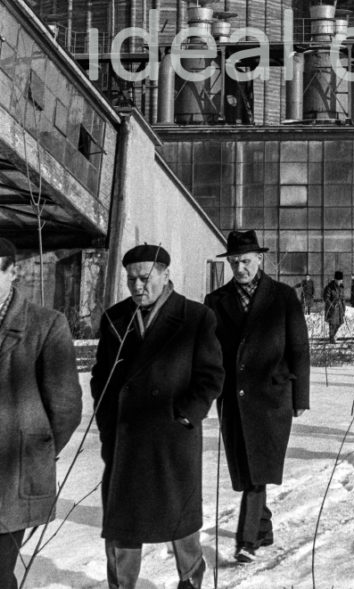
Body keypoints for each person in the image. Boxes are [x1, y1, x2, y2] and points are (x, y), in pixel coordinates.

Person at [91, 244, 224, 589]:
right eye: (131, 279)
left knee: (181, 527)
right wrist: (108, 424)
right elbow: (100, 377)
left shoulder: (195, 318)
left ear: (165, 275)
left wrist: (184, 416)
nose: (137, 286)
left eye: (145, 277)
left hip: (172, 441)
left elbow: (211, 376)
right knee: (122, 527)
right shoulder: (115, 319)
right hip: (125, 441)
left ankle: (192, 581)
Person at [205, 229, 310, 564]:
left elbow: (299, 348)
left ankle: (246, 541)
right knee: (246, 471)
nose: (240, 268)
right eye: (234, 262)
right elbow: (209, 351)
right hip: (233, 399)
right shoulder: (216, 301)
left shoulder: (282, 297)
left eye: (246, 261)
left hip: (272, 396)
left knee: (256, 472)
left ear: (260, 259)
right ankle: (263, 529)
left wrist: (300, 397)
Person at [0, 237, 82, 589]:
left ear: (13, 272)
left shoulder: (47, 325)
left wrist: (34, 449)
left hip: (13, 478)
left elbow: (65, 409)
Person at [323, 270, 345, 342]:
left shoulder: (341, 288)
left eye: (341, 280)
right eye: (339, 280)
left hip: (340, 309)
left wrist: (344, 308)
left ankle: (333, 336)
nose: (340, 282)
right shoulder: (329, 287)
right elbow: (326, 298)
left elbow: (342, 299)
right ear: (335, 280)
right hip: (332, 309)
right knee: (332, 324)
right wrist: (332, 306)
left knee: (339, 323)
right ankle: (332, 338)